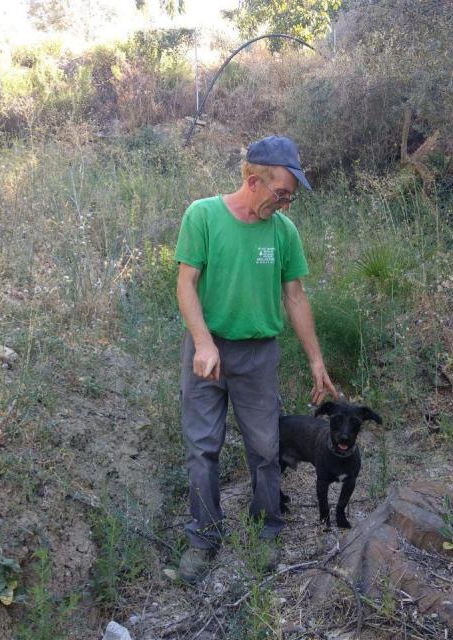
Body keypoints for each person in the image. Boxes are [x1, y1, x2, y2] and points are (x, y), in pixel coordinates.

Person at [174, 135, 339, 584]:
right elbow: (186, 283)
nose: (285, 204)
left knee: (266, 448)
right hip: (206, 352)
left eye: (291, 197)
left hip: (259, 355)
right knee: (202, 448)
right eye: (281, 194)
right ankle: (204, 537)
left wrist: (316, 360)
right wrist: (203, 342)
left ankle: (267, 528)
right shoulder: (203, 215)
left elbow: (295, 296)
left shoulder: (283, 232)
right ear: (252, 181)